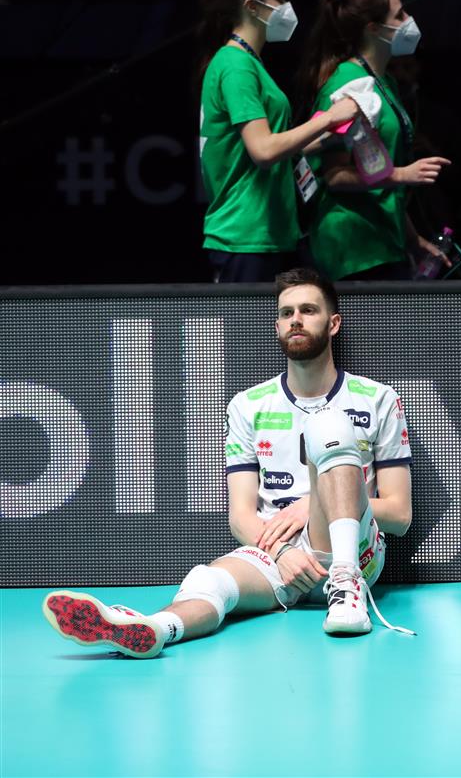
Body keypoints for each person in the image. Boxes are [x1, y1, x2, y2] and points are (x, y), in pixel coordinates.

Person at [42, 268, 414, 657]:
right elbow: (241, 517)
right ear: (277, 326)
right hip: (279, 552)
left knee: (329, 424)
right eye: (286, 313)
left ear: (333, 323)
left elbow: (400, 515)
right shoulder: (248, 405)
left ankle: (347, 594)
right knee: (210, 581)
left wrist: (313, 502)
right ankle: (155, 629)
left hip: (352, 550)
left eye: (308, 310)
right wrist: (282, 553)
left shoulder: (376, 398)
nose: (296, 320)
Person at [198, 0, 359, 282]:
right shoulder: (235, 65)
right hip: (246, 236)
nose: (287, 7)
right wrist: (328, 118)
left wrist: (330, 137)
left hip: (273, 232)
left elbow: (274, 148)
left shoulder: (250, 62)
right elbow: (264, 151)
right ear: (252, 7)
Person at [299, 0, 453, 281]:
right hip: (354, 245)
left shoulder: (385, 82)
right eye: (399, 15)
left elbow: (377, 169)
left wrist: (412, 239)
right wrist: (403, 174)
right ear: (373, 29)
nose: (409, 20)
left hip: (384, 239)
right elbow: (335, 175)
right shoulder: (347, 84)